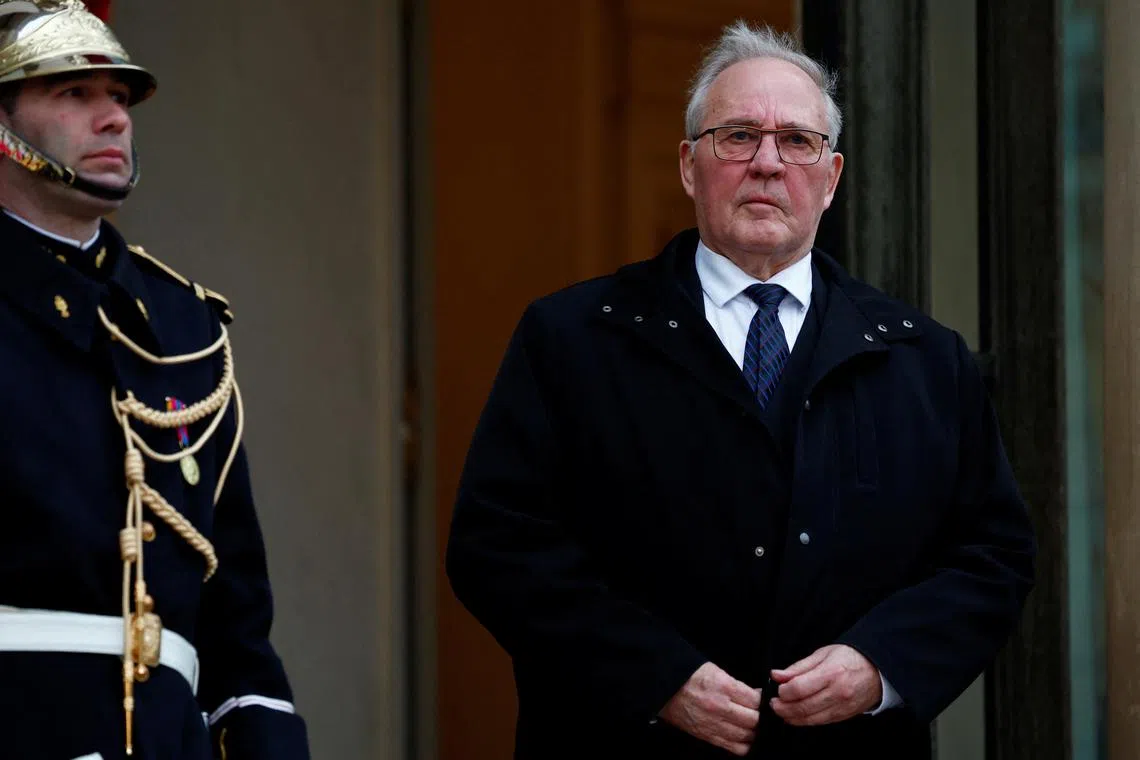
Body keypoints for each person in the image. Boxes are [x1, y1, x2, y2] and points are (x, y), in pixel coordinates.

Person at [447, 20, 1035, 759]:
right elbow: (496, 547)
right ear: (690, 166)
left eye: (797, 141)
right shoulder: (571, 339)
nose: (767, 163)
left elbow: (992, 557)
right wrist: (657, 676)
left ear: (832, 178)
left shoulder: (924, 360)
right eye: (737, 137)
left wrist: (880, 665)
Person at [0, 2, 310, 758]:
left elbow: (234, 605)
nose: (113, 118)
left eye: (120, 96)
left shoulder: (181, 321)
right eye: (73, 93)